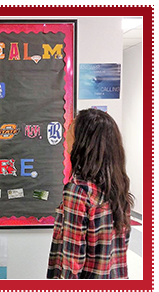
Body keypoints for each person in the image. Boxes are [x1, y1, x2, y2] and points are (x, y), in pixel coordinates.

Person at [47, 109, 135, 279]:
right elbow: (121, 246)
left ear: (83, 141)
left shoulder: (78, 191)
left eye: (71, 128)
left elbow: (72, 261)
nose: (66, 134)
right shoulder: (117, 187)